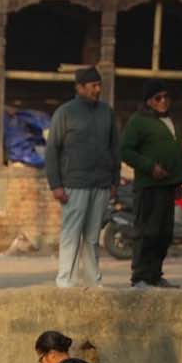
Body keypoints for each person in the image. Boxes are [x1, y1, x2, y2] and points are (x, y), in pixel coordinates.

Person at [47, 65, 119, 289]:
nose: (97, 89)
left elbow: (115, 149)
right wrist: (56, 184)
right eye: (93, 85)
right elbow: (52, 150)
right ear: (79, 87)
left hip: (101, 183)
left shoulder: (107, 112)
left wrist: (114, 180)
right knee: (71, 233)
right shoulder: (65, 112)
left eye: (99, 85)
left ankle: (92, 280)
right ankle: (65, 279)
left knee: (92, 236)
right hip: (74, 184)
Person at [120, 81, 182, 290]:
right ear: (148, 101)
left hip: (169, 185)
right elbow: (126, 151)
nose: (163, 101)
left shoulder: (170, 121)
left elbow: (176, 152)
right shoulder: (138, 121)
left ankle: (155, 275)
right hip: (149, 185)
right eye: (157, 98)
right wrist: (150, 167)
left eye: (166, 97)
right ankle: (140, 278)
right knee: (146, 232)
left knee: (163, 233)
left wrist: (179, 181)